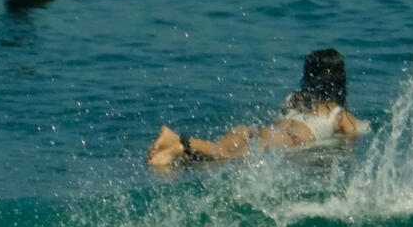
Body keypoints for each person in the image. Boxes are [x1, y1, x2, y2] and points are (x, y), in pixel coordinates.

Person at [146, 49, 369, 168]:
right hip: (285, 140)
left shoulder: (295, 99)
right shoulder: (338, 113)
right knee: (226, 160)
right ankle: (179, 143)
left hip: (254, 130)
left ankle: (170, 149)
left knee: (217, 152)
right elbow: (352, 141)